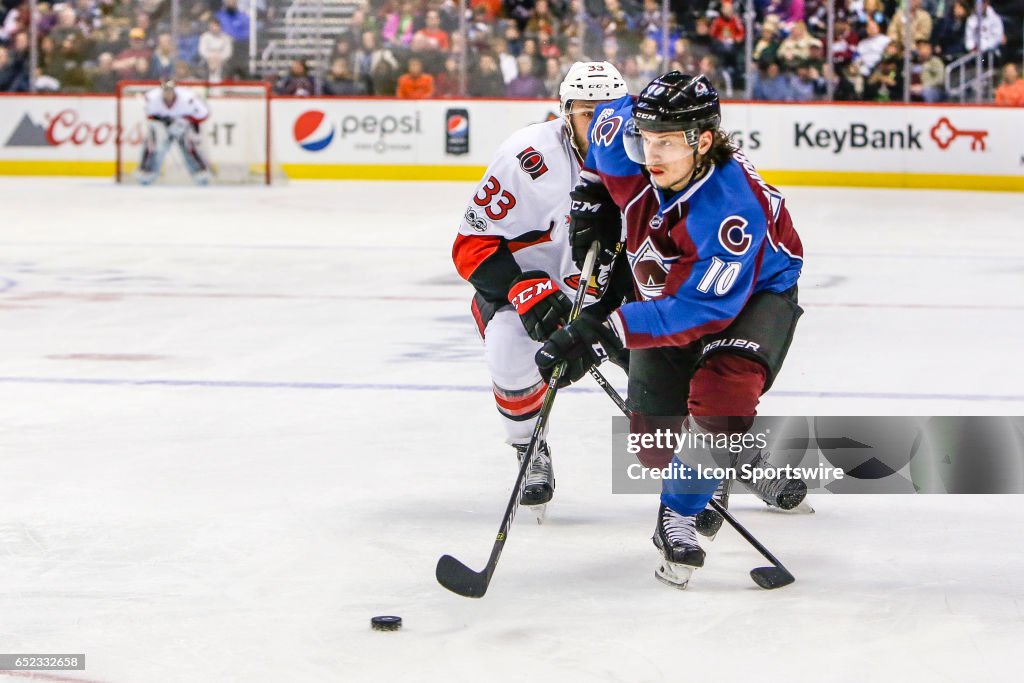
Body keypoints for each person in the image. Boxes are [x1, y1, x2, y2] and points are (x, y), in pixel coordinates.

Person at [537, 73, 807, 588]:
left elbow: (696, 313)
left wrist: (605, 328)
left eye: (666, 142)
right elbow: (608, 121)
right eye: (646, 139)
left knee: (722, 393)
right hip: (668, 282)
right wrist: (593, 192)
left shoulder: (732, 211)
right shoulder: (623, 132)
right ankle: (728, 458)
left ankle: (678, 514)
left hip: (753, 295)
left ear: (703, 142)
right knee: (657, 446)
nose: (650, 153)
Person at [451, 62, 630, 516]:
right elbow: (470, 244)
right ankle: (529, 447)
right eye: (589, 113)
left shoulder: (651, 154)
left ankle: (730, 453)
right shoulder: (526, 157)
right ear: (565, 113)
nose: (601, 124)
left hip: (615, 289)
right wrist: (521, 288)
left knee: (677, 365)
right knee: (508, 354)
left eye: (611, 112)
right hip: (532, 291)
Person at [137, 80, 211, 186]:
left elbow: (204, 114)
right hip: (162, 126)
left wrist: (184, 120)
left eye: (170, 91)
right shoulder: (152, 97)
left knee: (189, 144)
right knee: (152, 144)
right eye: (165, 91)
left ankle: (201, 173)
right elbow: (150, 116)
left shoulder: (187, 98)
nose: (168, 94)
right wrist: (164, 122)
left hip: (182, 125)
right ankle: (146, 173)